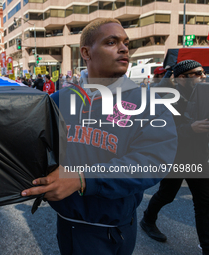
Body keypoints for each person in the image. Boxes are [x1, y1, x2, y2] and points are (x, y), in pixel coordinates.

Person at [21, 18, 177, 255]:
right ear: (86, 52)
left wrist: (82, 179)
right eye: (111, 42)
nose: (124, 48)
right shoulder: (58, 100)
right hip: (67, 222)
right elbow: (38, 149)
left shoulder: (150, 104)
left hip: (115, 227)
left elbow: (153, 162)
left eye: (126, 42)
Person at [140, 60, 209, 255]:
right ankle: (147, 219)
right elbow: (158, 129)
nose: (203, 76)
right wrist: (190, 128)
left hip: (198, 157)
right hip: (176, 157)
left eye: (203, 72)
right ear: (181, 78)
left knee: (203, 203)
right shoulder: (166, 98)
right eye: (197, 73)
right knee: (167, 195)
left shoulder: (204, 94)